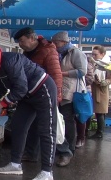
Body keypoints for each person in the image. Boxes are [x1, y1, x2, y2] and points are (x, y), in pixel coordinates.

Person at [0, 48, 57, 180]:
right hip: (26, 96)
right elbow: (0, 87)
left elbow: (21, 88)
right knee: (18, 126)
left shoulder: (11, 61)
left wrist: (3, 103)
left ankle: (47, 172)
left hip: (43, 90)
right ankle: (15, 164)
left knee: (46, 130)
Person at [13, 27, 63, 162]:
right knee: (32, 126)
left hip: (45, 93)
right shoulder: (27, 52)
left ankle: (64, 153)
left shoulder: (48, 51)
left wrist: (56, 97)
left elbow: (56, 75)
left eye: (22, 40)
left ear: (32, 38)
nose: (20, 44)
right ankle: (31, 154)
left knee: (48, 127)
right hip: (30, 94)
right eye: (19, 41)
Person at [51, 31, 87, 166]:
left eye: (56, 43)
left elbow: (82, 71)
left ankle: (69, 150)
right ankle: (62, 148)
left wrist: (62, 73)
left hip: (71, 92)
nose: (54, 45)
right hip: (59, 90)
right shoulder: (58, 53)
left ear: (64, 42)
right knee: (59, 120)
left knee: (68, 120)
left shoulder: (75, 52)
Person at [89, 45, 111, 139]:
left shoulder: (107, 64)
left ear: (102, 54)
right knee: (99, 111)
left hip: (102, 90)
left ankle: (99, 132)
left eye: (96, 54)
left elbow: (109, 78)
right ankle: (99, 131)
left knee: (100, 111)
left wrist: (104, 82)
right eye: (93, 54)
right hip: (94, 88)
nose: (93, 56)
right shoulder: (94, 63)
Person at [75, 56, 95, 147]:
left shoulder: (87, 65)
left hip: (83, 92)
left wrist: (78, 81)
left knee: (81, 114)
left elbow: (90, 79)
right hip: (71, 91)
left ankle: (81, 137)